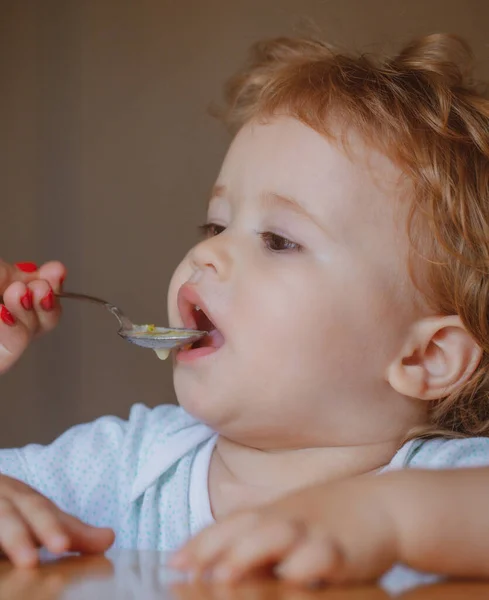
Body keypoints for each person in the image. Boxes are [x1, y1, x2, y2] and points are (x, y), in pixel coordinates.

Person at [1, 32, 489, 587]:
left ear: (426, 356)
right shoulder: (134, 465)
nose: (205, 252)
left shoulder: (448, 481)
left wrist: (387, 518)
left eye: (279, 240)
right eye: (215, 225)